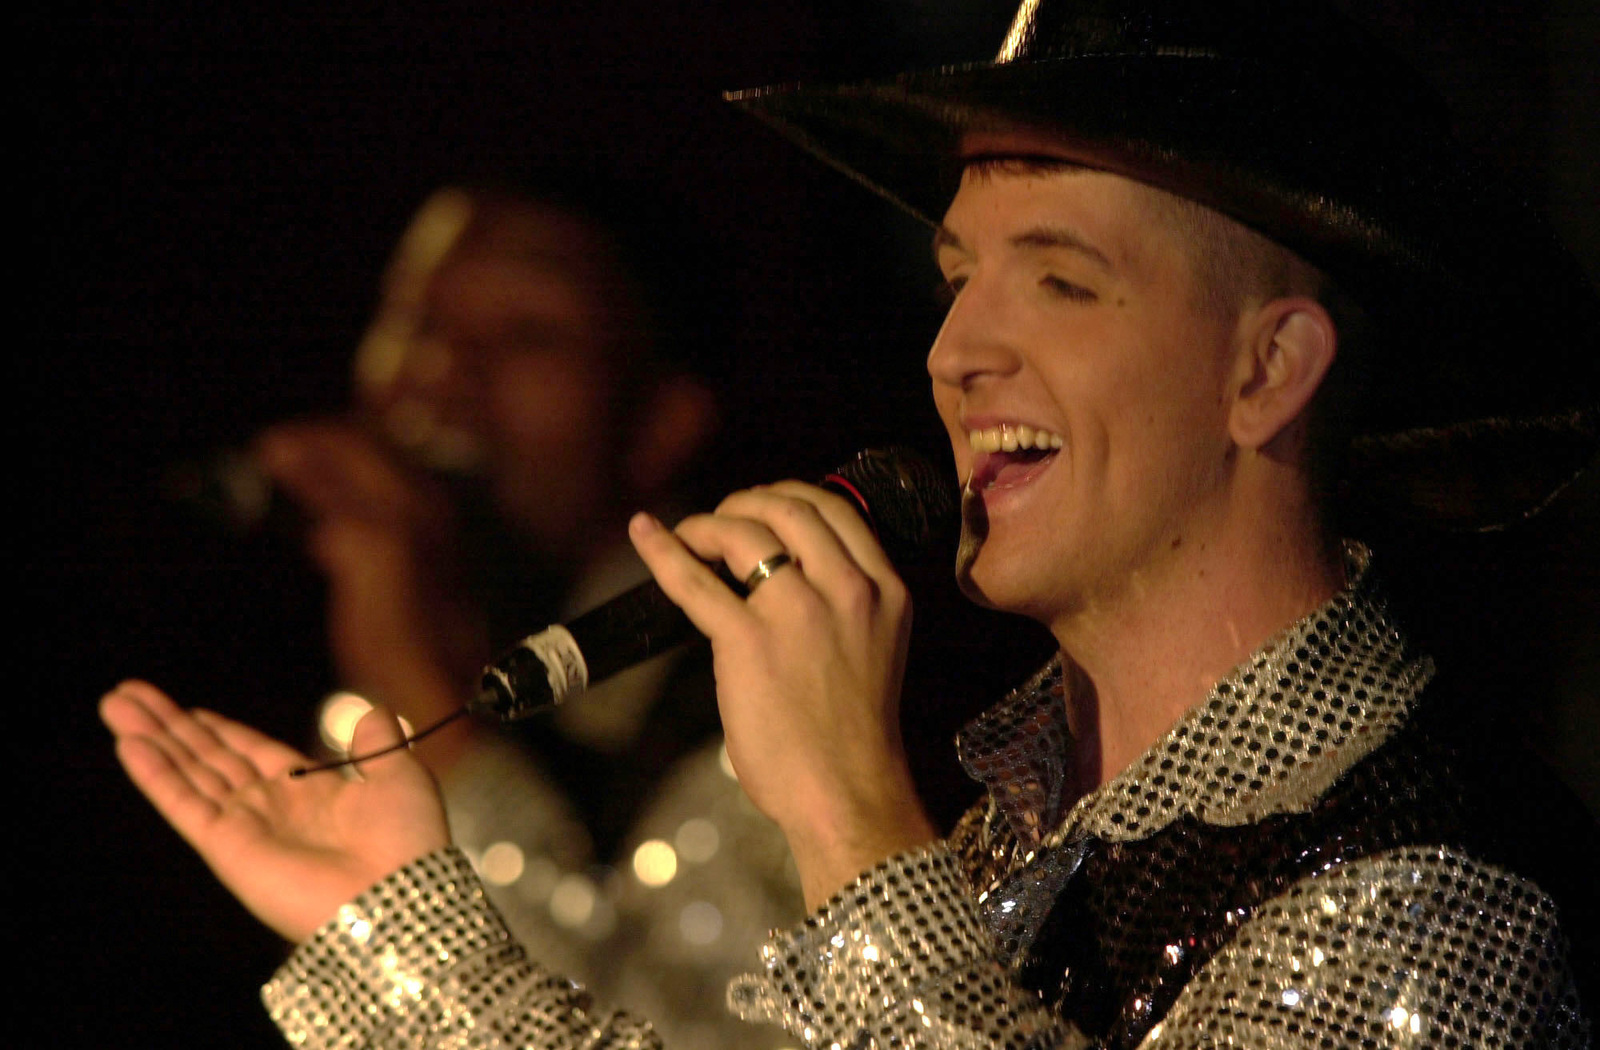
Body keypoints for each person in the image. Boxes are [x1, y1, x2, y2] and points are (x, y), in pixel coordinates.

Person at [102, 2, 1597, 1048]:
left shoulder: (1447, 893)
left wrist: (842, 813)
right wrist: (397, 931)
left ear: (1265, 368)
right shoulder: (1033, 830)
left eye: (1060, 281)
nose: (958, 353)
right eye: (959, 275)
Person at [241, 180, 805, 1048]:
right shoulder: (308, 651)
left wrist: (421, 708)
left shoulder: (752, 708)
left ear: (661, 423)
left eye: (528, 337)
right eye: (417, 321)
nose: (441, 373)